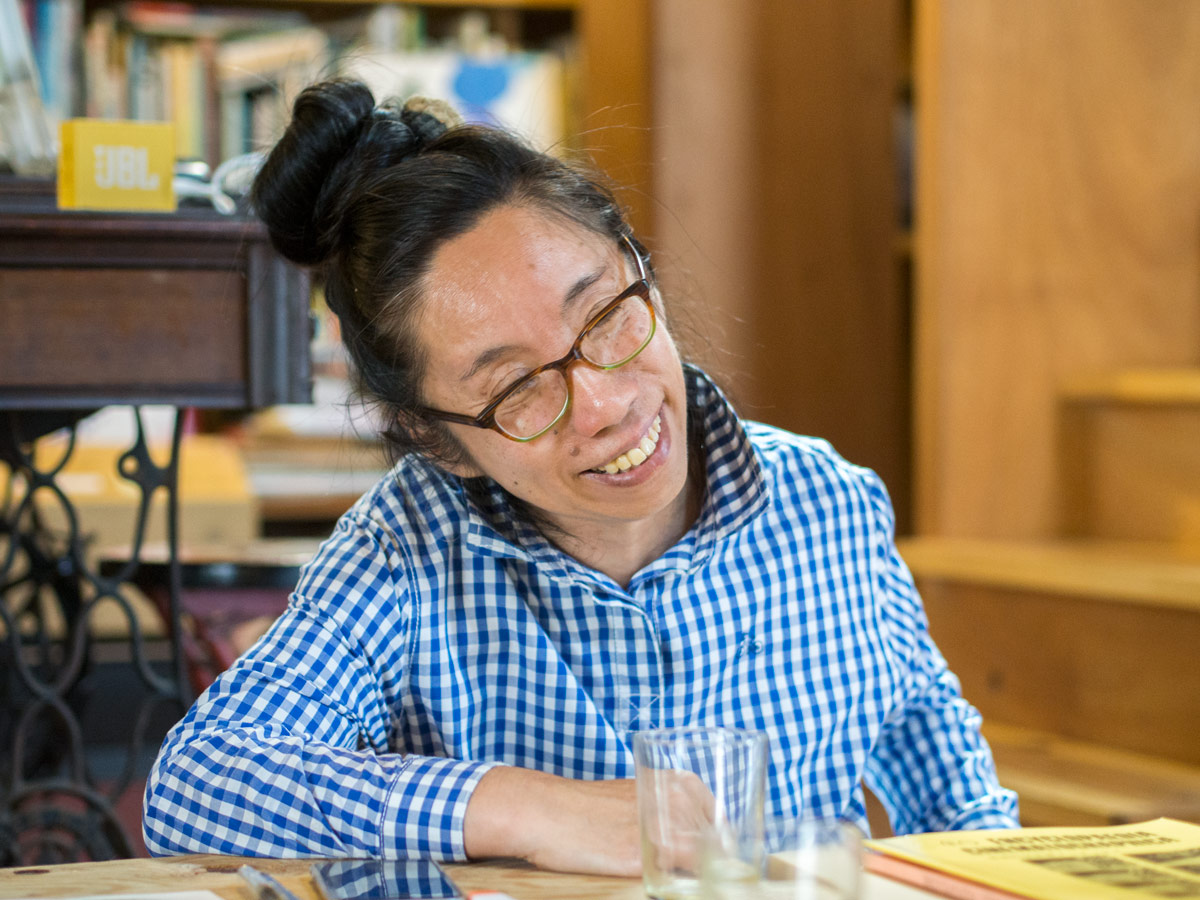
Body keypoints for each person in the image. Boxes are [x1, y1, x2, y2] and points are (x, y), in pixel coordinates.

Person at [142, 80, 1019, 873]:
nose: (603, 403)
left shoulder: (829, 504)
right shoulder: (407, 551)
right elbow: (199, 786)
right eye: (517, 387)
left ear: (646, 275)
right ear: (437, 440)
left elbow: (957, 799)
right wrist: (529, 809)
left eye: (604, 315)